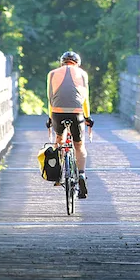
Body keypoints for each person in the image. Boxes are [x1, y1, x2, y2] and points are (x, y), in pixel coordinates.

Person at [46, 50, 94, 198]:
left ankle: (60, 173)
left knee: (59, 141)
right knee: (79, 145)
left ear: (62, 62)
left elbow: (50, 98)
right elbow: (85, 98)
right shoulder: (82, 74)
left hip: (57, 112)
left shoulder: (52, 74)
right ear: (77, 63)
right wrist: (87, 117)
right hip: (76, 112)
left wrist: (50, 118)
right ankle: (81, 175)